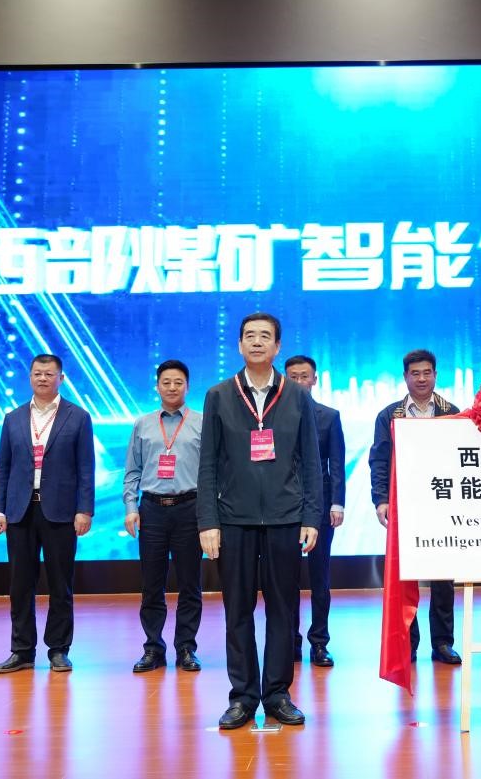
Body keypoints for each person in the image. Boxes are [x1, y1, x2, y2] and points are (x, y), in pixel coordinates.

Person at [197, 313, 322, 730]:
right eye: (249, 336)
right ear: (239, 345)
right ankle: (243, 696)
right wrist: (208, 521)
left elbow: (310, 462)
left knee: (284, 610)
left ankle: (278, 694)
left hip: (286, 520)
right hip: (234, 520)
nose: (256, 342)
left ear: (277, 346)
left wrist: (311, 516)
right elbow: (208, 463)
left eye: (264, 336)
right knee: (238, 610)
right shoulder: (219, 395)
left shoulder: (297, 396)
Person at [0, 353, 94, 674]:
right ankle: (21, 650)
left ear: (61, 378)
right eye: (37, 373)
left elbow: (86, 469)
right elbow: (3, 468)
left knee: (60, 584)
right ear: (30, 377)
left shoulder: (78, 417)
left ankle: (59, 650)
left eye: (49, 374)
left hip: (60, 512)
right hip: (20, 511)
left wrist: (84, 509)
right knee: (20, 585)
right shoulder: (13, 418)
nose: (43, 378)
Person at [369, 349, 462, 665]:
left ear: (435, 375)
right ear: (405, 377)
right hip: (404, 505)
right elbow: (379, 460)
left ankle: (443, 643)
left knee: (443, 578)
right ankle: (408, 642)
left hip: (443, 504)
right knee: (405, 577)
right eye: (415, 373)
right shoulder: (389, 415)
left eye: (427, 372)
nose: (421, 379)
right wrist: (381, 499)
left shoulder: (451, 413)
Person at [123, 360, 204, 674]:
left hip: (189, 508)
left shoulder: (202, 422)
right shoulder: (143, 424)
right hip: (152, 509)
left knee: (190, 584)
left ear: (187, 386)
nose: (172, 387)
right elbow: (132, 470)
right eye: (166, 382)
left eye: (178, 382)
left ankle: (186, 648)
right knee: (151, 584)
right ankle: (153, 648)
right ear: (157, 386)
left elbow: (212, 472)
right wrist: (131, 508)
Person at [284, 355, 346, 668]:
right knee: (286, 578)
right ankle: (290, 641)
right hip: (284, 506)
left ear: (314, 379)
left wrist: (337, 502)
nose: (299, 382)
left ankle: (319, 642)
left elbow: (337, 462)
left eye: (304, 376)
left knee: (320, 576)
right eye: (292, 376)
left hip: (320, 505)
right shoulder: (274, 416)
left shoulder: (329, 416)